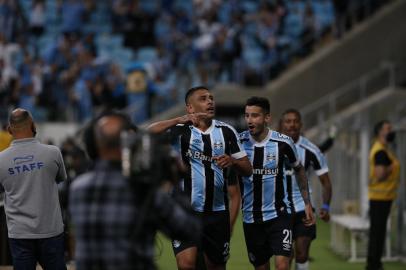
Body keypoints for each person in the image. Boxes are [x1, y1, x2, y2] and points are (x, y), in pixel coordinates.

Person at [69, 111, 201, 270]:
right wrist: (176, 179)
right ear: (129, 144)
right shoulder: (142, 189)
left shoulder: (77, 188)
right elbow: (188, 230)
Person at [148, 86, 252, 270]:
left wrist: (232, 162)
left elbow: (247, 169)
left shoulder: (227, 131)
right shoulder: (179, 130)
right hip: (186, 210)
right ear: (190, 107)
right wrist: (179, 119)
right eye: (203, 98)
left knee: (215, 266)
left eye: (211, 98)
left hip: (217, 213)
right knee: (186, 264)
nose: (210, 101)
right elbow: (147, 132)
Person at [239, 97, 315, 270]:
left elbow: (299, 169)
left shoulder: (283, 142)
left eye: (255, 116)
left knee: (282, 265)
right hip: (251, 218)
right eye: (247, 115)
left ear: (267, 118)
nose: (250, 120)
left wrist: (307, 202)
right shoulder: (238, 142)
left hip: (279, 215)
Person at [0, 108, 67, 270]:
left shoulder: (1, 160)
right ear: (33, 125)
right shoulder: (53, 153)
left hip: (19, 233)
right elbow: (61, 179)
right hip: (51, 231)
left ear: (9, 130)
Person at [279, 108, 332, 270]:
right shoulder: (272, 147)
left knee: (302, 254)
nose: (292, 125)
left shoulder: (312, 150)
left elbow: (326, 182)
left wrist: (326, 206)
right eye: (288, 121)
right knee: (285, 257)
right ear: (282, 125)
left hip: (304, 208)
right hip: (280, 210)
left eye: (295, 121)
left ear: (301, 124)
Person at [366, 120, 400, 270]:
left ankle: (374, 263)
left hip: (383, 197)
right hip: (380, 197)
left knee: (377, 232)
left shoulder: (383, 149)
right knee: (377, 233)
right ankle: (374, 265)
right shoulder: (380, 151)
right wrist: (392, 167)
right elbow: (380, 174)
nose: (391, 131)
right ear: (380, 132)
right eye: (388, 128)